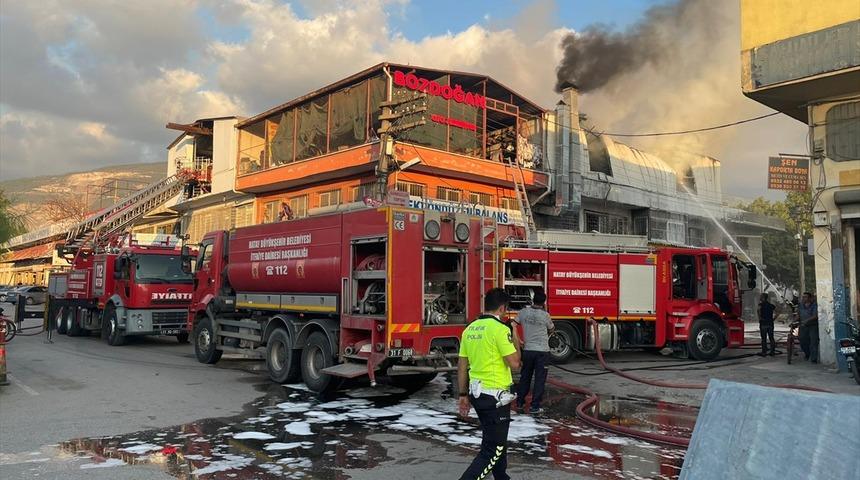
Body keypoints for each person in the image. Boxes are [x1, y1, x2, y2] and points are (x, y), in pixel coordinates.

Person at [457, 288, 521, 480]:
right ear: (502, 308)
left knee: (496, 440)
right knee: (493, 449)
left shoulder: (469, 329)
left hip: (477, 394)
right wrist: (515, 335)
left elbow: (462, 365)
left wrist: (462, 396)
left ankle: (502, 477)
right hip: (496, 397)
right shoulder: (500, 330)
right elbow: (516, 364)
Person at [514, 291, 554, 414]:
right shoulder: (545, 315)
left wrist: (518, 340)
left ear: (532, 299)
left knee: (525, 377)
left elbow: (513, 324)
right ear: (544, 303)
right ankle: (535, 406)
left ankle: (520, 402)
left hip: (528, 350)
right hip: (542, 351)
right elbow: (551, 329)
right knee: (539, 379)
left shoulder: (523, 312)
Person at [797, 292, 819, 363]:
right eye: (803, 297)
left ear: (810, 298)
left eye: (805, 297)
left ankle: (814, 359)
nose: (804, 298)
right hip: (803, 326)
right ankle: (807, 353)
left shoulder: (814, 305)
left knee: (813, 342)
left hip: (813, 326)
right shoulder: (800, 305)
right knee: (802, 340)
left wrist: (806, 321)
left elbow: (815, 316)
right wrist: (794, 321)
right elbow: (798, 315)